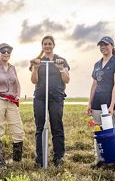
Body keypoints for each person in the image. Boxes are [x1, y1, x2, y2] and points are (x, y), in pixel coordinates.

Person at [87, 36, 115, 172]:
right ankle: (100, 160)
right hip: (97, 104)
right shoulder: (97, 64)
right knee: (99, 132)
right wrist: (89, 103)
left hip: (113, 105)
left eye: (106, 45)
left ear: (112, 46)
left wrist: (111, 106)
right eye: (101, 45)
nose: (103, 47)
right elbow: (94, 85)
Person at [30, 35, 70, 167]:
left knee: (57, 126)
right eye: (45, 44)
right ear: (42, 46)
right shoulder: (38, 61)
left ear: (53, 45)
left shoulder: (61, 60)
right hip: (40, 97)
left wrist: (60, 69)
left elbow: (66, 80)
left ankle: (58, 157)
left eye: (49, 44)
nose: (47, 46)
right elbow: (34, 81)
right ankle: (40, 158)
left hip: (56, 97)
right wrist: (35, 68)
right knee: (40, 127)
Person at [0, 43, 25, 168]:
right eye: (3, 51)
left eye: (8, 51)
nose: (6, 53)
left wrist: (18, 95)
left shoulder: (13, 68)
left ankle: (17, 162)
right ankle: (0, 163)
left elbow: (17, 84)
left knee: (19, 132)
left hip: (12, 101)